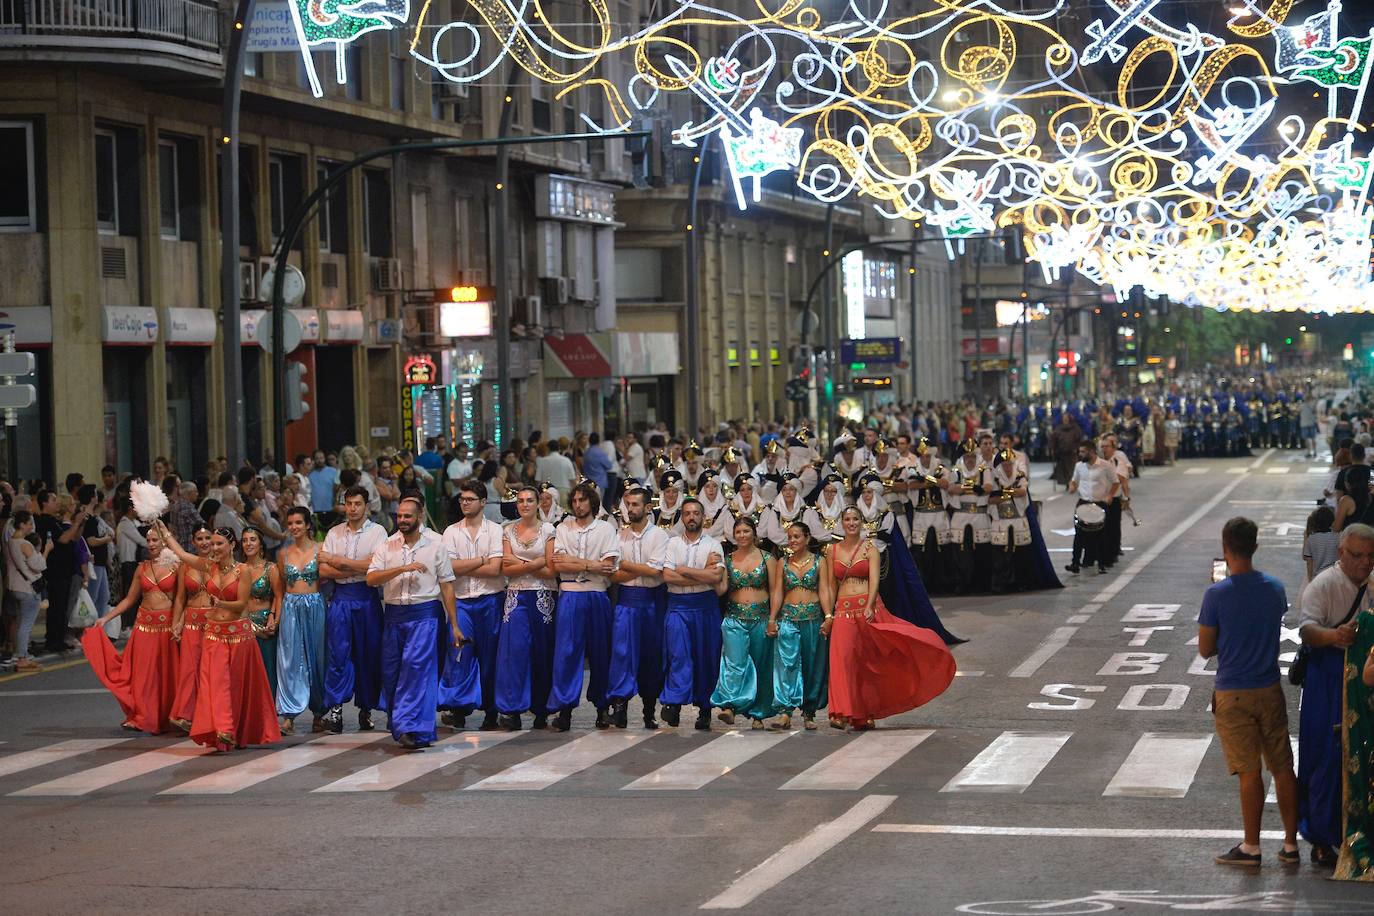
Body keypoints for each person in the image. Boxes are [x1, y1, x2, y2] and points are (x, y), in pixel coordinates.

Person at [1197, 517, 1300, 868]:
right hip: (1269, 687)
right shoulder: (1274, 588)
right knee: (1283, 767)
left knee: (1249, 771)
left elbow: (1205, 648)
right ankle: (1290, 844)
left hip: (1233, 692)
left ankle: (1251, 846)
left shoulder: (1216, 595)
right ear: (1255, 546)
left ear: (1225, 548)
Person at [825, 507, 955, 730]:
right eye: (847, 519)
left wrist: (869, 605)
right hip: (843, 611)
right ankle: (840, 712)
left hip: (867, 609)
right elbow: (829, 585)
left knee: (868, 661)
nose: (852, 523)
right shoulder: (832, 551)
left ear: (862, 522)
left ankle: (864, 712)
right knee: (842, 659)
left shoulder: (870, 549)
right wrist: (829, 614)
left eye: (855, 519)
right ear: (842, 523)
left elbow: (875, 580)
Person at [1297, 523, 1374, 868]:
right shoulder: (1324, 584)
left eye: (1370, 556)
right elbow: (1307, 629)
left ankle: (1361, 831)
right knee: (1325, 755)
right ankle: (1321, 837)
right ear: (1342, 553)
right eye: (1357, 555)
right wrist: (1334, 636)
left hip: (1367, 680)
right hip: (1329, 678)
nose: (1364, 562)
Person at [366, 495, 465, 750]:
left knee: (416, 670)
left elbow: (447, 586)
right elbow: (371, 579)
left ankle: (409, 726)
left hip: (425, 615)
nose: (402, 520)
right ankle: (410, 727)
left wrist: (454, 624)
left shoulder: (436, 546)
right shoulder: (387, 546)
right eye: (399, 516)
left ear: (420, 517)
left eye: (407, 516)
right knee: (392, 673)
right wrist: (402, 569)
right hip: (394, 616)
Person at [83, 524, 180, 733]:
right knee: (141, 675)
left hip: (167, 627)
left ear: (165, 541)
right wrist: (106, 618)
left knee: (166, 676)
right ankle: (140, 716)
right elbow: (129, 599)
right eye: (149, 540)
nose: (151, 544)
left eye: (155, 540)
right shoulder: (141, 568)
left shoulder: (177, 566)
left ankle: (168, 717)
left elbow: (183, 599)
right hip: (144, 626)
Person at [546, 481, 621, 731]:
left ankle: (603, 708)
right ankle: (564, 710)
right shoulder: (563, 528)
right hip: (570, 594)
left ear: (592, 502)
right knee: (567, 653)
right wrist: (590, 564)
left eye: (583, 500)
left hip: (597, 593)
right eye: (575, 501)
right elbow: (559, 564)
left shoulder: (605, 529)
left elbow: (608, 565)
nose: (578, 505)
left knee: (601, 652)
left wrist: (575, 561)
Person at [317, 486, 388, 733]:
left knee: (369, 654)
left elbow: (376, 566)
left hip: (367, 597)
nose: (352, 508)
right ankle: (336, 711)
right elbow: (323, 569)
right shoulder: (334, 532)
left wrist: (340, 562)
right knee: (338, 654)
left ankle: (366, 709)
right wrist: (355, 567)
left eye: (357, 504)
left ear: (366, 506)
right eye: (348, 504)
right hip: (341, 598)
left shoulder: (378, 532)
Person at [440, 481, 506, 730]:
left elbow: (495, 569)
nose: (464, 503)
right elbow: (449, 568)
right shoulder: (451, 532)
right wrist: (480, 560)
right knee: (459, 655)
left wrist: (465, 566)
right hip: (462, 602)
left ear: (483, 502)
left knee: (490, 657)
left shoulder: (495, 530)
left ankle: (491, 711)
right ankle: (458, 708)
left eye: (470, 499)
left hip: (490, 599)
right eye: (462, 499)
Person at [660, 499, 726, 730]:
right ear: (682, 517)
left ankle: (705, 709)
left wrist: (684, 570)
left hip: (705, 606)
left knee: (706, 657)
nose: (691, 517)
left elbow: (715, 577)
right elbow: (667, 576)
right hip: (678, 606)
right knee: (677, 653)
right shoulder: (672, 544)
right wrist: (701, 573)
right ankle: (674, 703)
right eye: (687, 513)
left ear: (703, 517)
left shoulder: (713, 545)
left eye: (696, 513)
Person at [607, 487, 669, 730]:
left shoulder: (659, 535)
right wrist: (638, 568)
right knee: (621, 653)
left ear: (647, 507)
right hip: (626, 600)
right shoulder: (619, 536)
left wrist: (626, 565)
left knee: (651, 655)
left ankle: (649, 710)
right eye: (628, 504)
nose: (630, 509)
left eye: (635, 505)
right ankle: (619, 708)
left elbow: (656, 571)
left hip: (652, 601)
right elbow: (612, 574)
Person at [496, 485, 556, 731]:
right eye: (521, 500)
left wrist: (520, 562)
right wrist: (536, 562)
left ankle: (541, 708)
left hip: (543, 595)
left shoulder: (549, 530)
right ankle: (512, 709)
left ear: (538, 503)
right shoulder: (507, 530)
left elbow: (551, 570)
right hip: (516, 595)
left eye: (530, 500)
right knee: (514, 653)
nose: (525, 504)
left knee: (542, 652)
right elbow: (506, 569)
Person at [710, 517, 778, 729]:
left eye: (746, 531)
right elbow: (721, 590)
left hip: (761, 617)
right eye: (738, 532)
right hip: (734, 618)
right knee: (734, 662)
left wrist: (773, 619)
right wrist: (711, 568)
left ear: (754, 534)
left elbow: (775, 591)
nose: (742, 535)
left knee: (761, 664)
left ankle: (758, 714)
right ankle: (730, 706)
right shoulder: (728, 560)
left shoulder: (768, 558)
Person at [769, 521, 829, 730]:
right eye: (790, 537)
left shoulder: (820, 561)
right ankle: (785, 712)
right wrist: (772, 618)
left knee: (812, 666)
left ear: (807, 538)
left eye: (797, 536)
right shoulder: (783, 562)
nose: (792, 541)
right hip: (788, 619)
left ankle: (809, 712)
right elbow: (778, 591)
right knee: (786, 665)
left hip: (813, 618)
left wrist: (828, 616)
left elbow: (824, 589)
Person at [276, 507, 330, 735]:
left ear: (308, 525)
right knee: (289, 659)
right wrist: (276, 615)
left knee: (317, 658)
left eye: (298, 522)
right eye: (290, 523)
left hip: (315, 605)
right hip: (290, 606)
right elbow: (280, 587)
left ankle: (319, 714)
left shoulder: (321, 549)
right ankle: (288, 716)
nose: (294, 527)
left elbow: (329, 577)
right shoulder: (283, 553)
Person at [168, 524, 214, 732]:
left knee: (210, 670)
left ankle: (209, 716)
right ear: (193, 542)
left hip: (214, 623)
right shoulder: (185, 566)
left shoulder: (220, 565)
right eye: (199, 539)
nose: (204, 542)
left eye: (207, 538)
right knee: (189, 669)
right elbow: (180, 598)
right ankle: (186, 715)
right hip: (192, 622)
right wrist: (176, 624)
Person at [242, 527, 283, 699]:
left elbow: (279, 596)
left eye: (253, 539)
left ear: (261, 544)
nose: (248, 543)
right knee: (246, 672)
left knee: (267, 671)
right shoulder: (238, 569)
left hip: (266, 626)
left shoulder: (270, 568)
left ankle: (268, 710)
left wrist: (275, 620)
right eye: (245, 540)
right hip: (244, 626)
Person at [6, 511, 49, 671]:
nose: (32, 527)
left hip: (15, 586)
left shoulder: (10, 541)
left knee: (20, 623)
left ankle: (20, 655)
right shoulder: (25, 544)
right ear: (22, 524)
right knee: (26, 625)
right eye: (30, 524)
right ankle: (22, 659)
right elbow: (39, 565)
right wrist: (46, 550)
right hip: (28, 588)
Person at [1066, 440, 1113, 575]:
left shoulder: (1105, 465)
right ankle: (1075, 563)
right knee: (1079, 535)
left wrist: (1110, 495)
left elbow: (1115, 482)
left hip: (1099, 503)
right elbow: (1074, 480)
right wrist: (1072, 486)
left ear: (1092, 451)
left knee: (1100, 536)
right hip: (1083, 503)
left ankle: (1102, 564)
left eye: (1083, 452)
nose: (1080, 454)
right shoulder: (1079, 466)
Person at [1100, 435, 1131, 569]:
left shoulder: (1119, 461)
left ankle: (1113, 553)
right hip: (1099, 499)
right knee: (1100, 529)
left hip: (1114, 499)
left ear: (1113, 448)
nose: (1104, 449)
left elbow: (1123, 481)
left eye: (1106, 446)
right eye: (1102, 446)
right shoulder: (1097, 462)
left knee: (1113, 528)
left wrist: (1126, 498)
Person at [1303, 506, 1340, 581]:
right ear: (1332, 520)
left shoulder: (1311, 539)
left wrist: (1310, 580)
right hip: (1334, 576)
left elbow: (1309, 561)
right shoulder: (1337, 537)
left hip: (1318, 578)